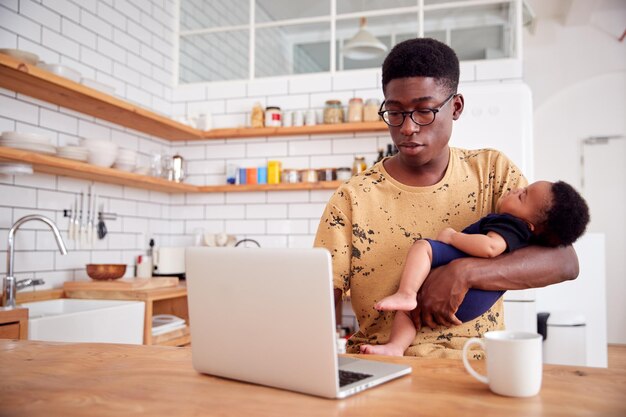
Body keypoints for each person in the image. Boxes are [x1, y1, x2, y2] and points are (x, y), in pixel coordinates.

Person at [314, 37, 581, 358]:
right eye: (395, 112)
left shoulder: (493, 172)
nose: (408, 127)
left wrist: (465, 273)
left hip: (476, 367)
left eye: (424, 111)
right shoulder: (352, 198)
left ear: (455, 107)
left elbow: (565, 261)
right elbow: (318, 301)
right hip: (379, 364)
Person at [360, 180, 589, 356]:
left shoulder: (511, 224)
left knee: (423, 247)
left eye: (523, 195)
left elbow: (490, 247)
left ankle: (406, 293)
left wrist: (452, 238)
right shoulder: (525, 227)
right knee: (410, 313)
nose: (516, 188)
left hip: (469, 292)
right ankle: (396, 347)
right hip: (474, 304)